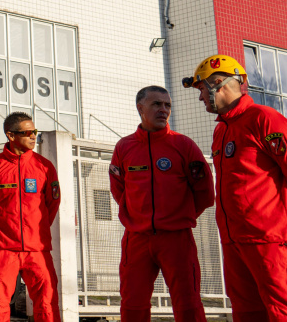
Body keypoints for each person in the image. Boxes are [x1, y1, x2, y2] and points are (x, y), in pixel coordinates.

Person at [183, 55, 287, 321]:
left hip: (269, 239)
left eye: (201, 89)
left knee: (281, 308)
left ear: (218, 83)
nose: (200, 98)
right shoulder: (221, 130)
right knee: (246, 311)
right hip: (233, 240)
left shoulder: (265, 119)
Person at [109, 86, 213, 322]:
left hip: (177, 238)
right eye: (157, 104)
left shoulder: (184, 145)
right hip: (136, 238)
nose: (163, 110)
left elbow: (205, 193)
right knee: (132, 304)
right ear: (140, 108)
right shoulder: (124, 147)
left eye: (167, 105)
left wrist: (178, 217)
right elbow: (118, 189)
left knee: (188, 304)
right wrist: (138, 217)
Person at [0, 112, 60, 322]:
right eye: (27, 132)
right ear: (11, 135)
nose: (33, 136)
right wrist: (3, 228)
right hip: (3, 248)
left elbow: (52, 203)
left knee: (47, 302)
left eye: (35, 132)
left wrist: (35, 229)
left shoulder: (44, 166)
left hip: (37, 249)